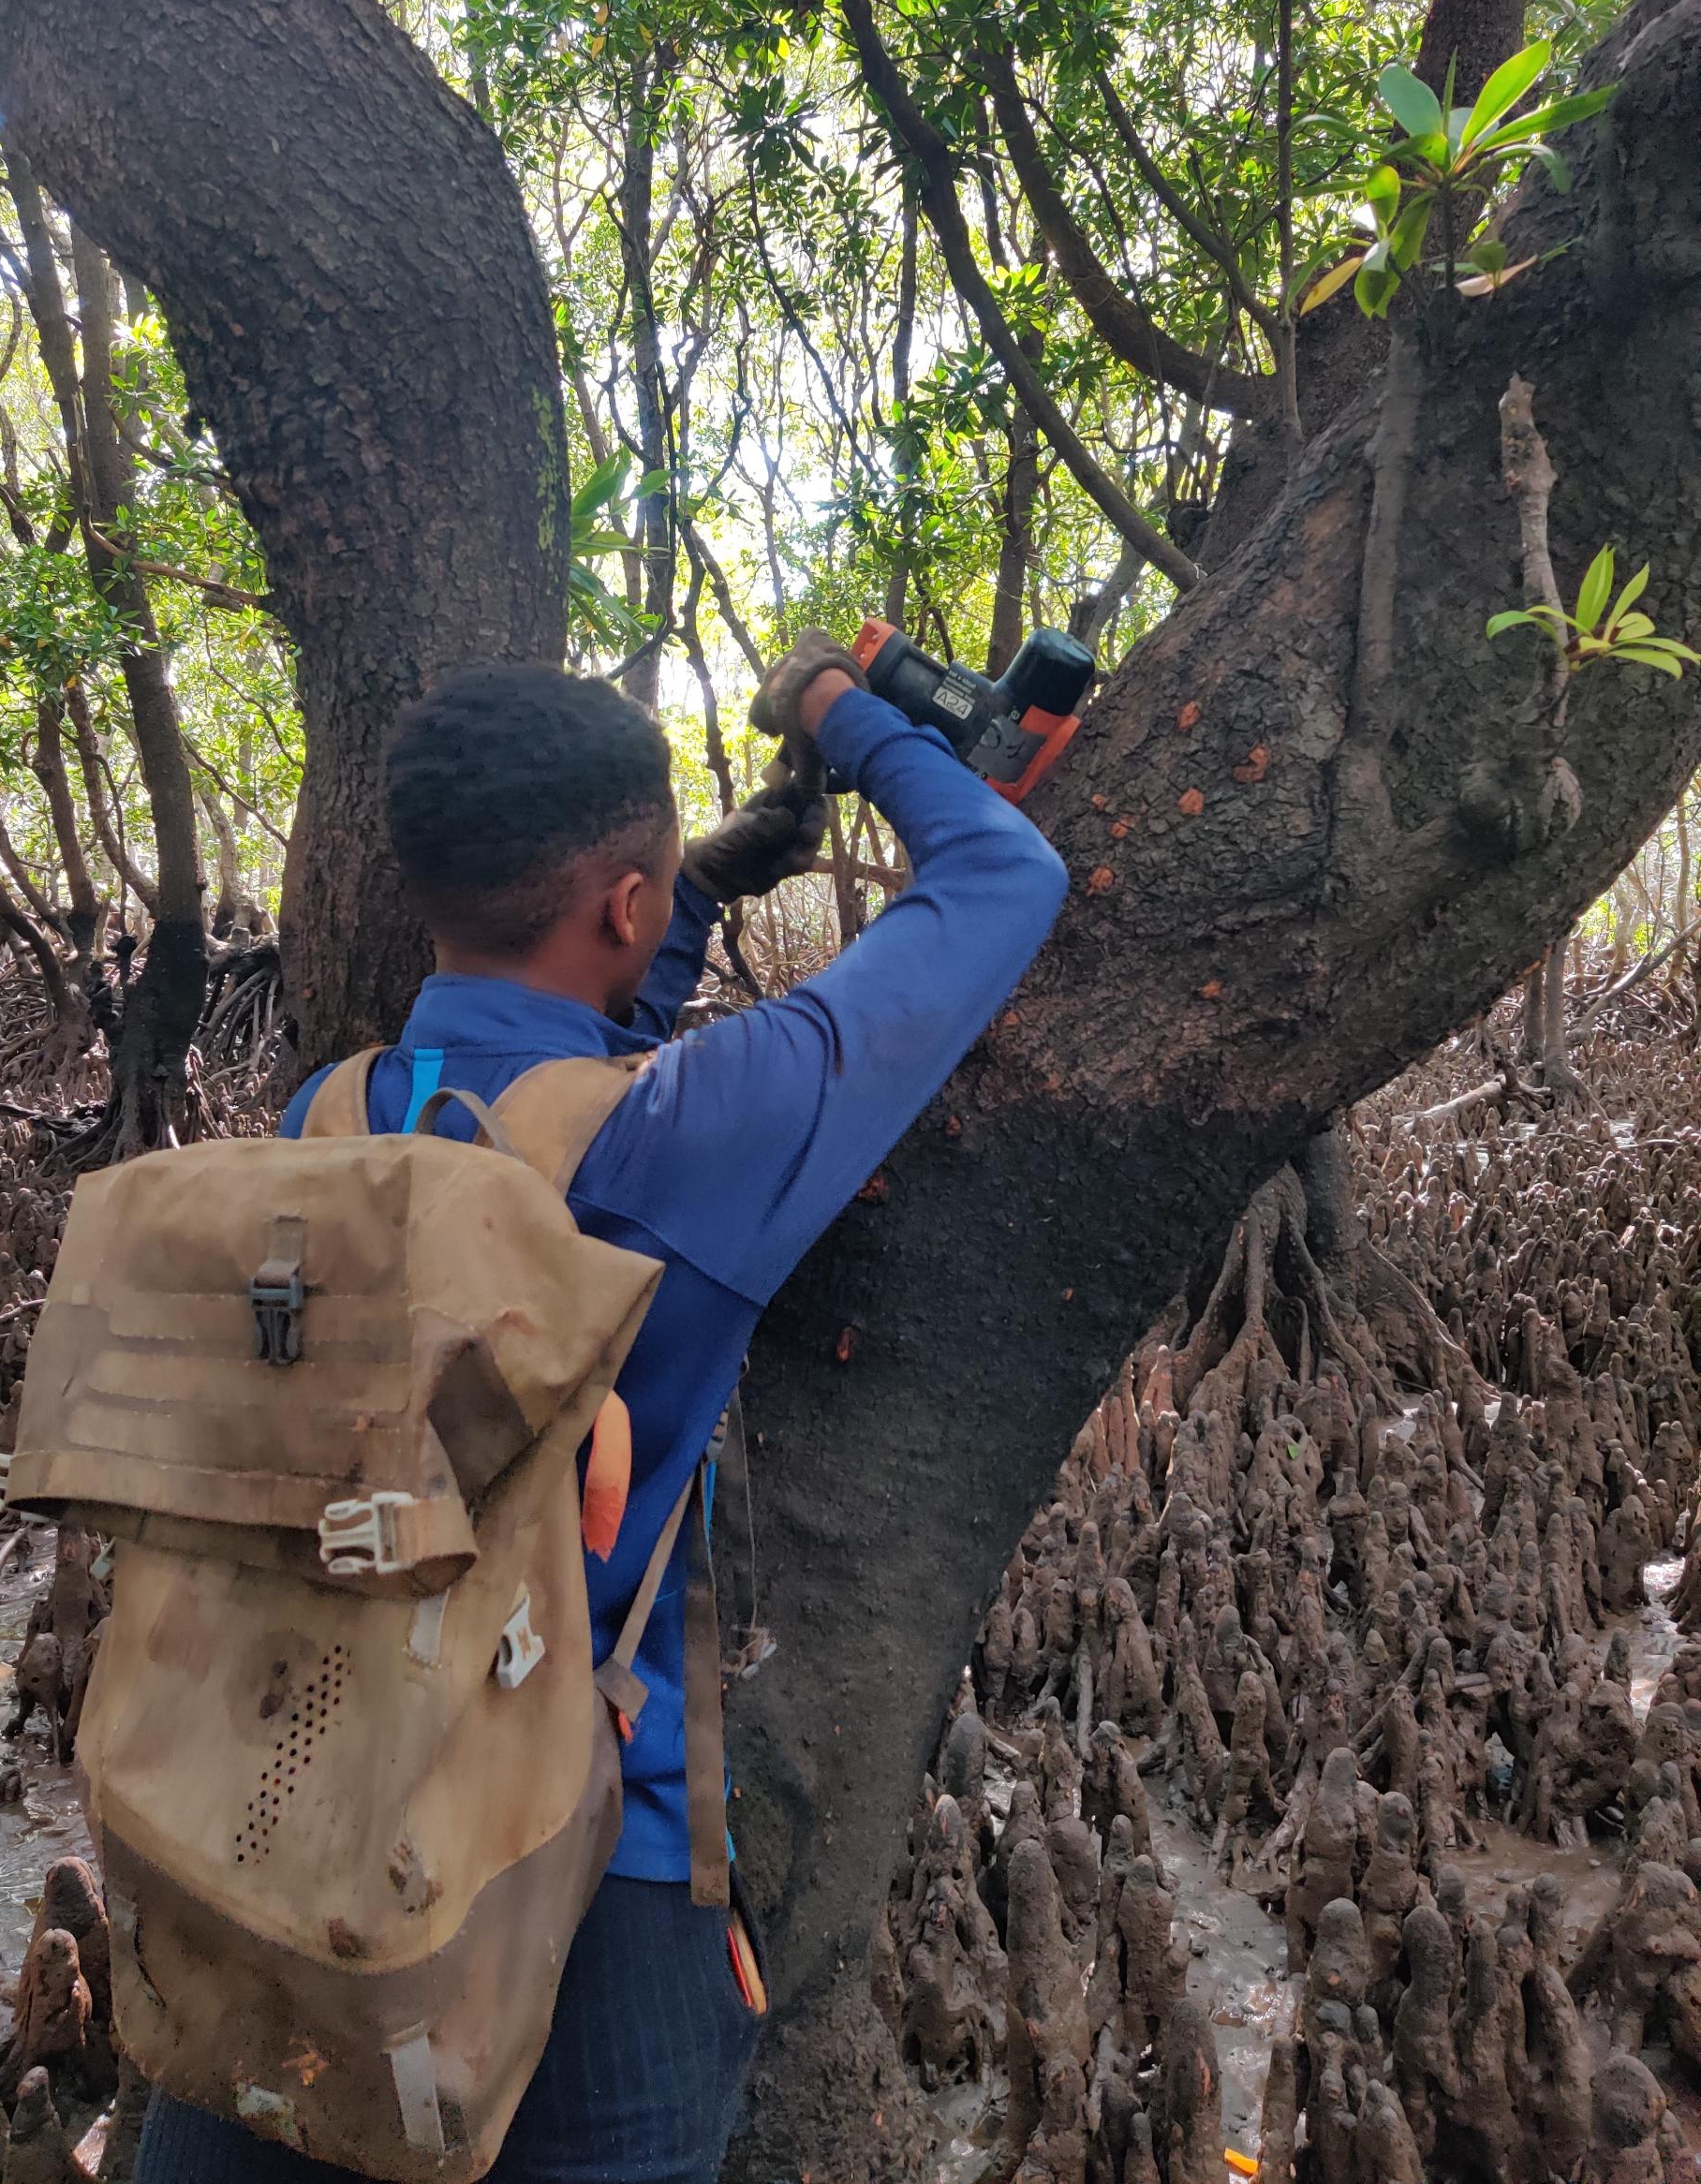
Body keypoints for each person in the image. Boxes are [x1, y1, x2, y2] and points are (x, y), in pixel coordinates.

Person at [135, 629, 1068, 2184]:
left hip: (292, 1823)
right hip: (584, 1874)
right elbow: (1002, 877)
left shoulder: (335, 1113)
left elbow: (531, 1121)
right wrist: (844, 713)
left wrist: (689, 897)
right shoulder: (697, 1130)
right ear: (612, 905)